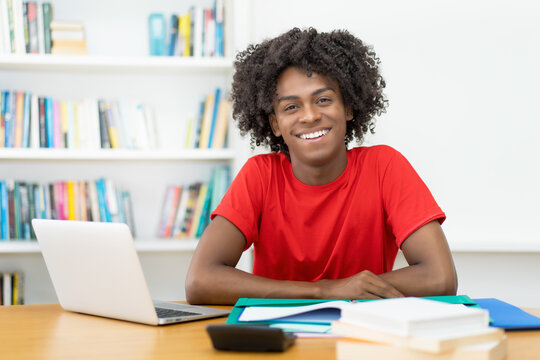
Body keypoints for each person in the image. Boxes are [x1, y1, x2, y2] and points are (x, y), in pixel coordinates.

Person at [186, 27, 457, 305]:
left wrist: (339, 291)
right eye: (291, 107)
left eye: (323, 100)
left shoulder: (384, 166)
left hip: (363, 335)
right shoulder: (260, 175)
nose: (310, 116)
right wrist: (325, 291)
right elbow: (200, 281)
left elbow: (440, 277)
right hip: (278, 336)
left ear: (348, 108)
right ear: (275, 124)